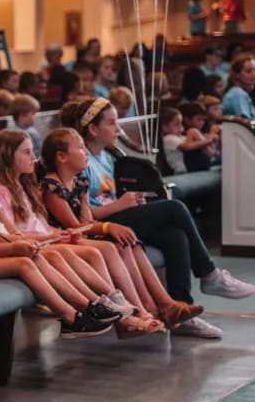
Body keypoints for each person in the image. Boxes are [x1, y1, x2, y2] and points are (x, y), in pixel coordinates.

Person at [59, 100, 255, 333]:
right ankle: (210, 275)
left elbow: (108, 199)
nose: (118, 130)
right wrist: (121, 204)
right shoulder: (84, 161)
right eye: (112, 124)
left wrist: (130, 201)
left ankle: (182, 313)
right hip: (103, 226)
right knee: (175, 208)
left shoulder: (106, 157)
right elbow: (81, 216)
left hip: (118, 217)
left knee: (175, 236)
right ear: (93, 129)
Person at [0, 130, 163, 338]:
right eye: (26, 153)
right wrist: (57, 236)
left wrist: (61, 233)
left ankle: (129, 308)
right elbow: (16, 233)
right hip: (38, 243)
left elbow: (42, 224)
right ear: (8, 156)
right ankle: (120, 311)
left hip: (46, 238)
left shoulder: (26, 185)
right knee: (96, 250)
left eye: (33, 152)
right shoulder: (2, 190)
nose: (33, 158)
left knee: (107, 248)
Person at [0, 147, 121, 338]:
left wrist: (21, 247)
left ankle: (88, 306)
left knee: (35, 256)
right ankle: (71, 316)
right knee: (23, 263)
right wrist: (13, 248)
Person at [39, 128, 210, 334]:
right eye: (80, 148)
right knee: (119, 242)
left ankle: (164, 304)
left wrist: (105, 226)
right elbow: (73, 225)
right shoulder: (51, 187)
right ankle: (142, 310)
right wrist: (108, 226)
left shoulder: (80, 182)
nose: (85, 153)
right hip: (67, 237)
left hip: (82, 233)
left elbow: (86, 220)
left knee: (130, 243)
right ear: (61, 157)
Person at [160, 107, 218, 175]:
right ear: (165, 128)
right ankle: (212, 157)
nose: (181, 127)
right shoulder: (168, 139)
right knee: (192, 131)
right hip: (183, 171)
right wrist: (209, 139)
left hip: (191, 166)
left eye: (181, 123)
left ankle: (212, 156)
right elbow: (187, 147)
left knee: (193, 132)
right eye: (177, 124)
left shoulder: (179, 137)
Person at [221, 54, 255, 119]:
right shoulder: (238, 93)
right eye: (248, 71)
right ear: (237, 75)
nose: (254, 74)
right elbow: (245, 121)